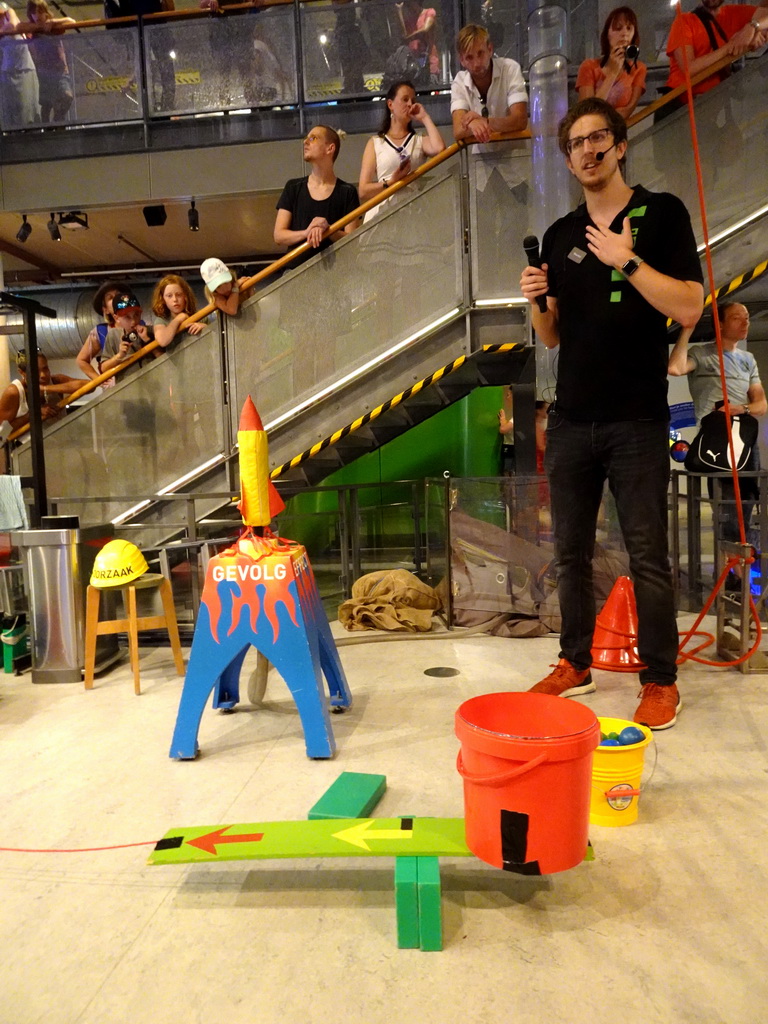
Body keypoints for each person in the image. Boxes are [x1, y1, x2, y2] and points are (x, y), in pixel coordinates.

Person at [520, 97, 704, 730]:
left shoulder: (662, 214)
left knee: (648, 554)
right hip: (572, 419)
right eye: (577, 142)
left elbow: (688, 306)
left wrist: (625, 258)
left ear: (620, 146)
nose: (589, 149)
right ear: (569, 159)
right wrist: (537, 302)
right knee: (568, 552)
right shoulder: (561, 235)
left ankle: (659, 678)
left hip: (638, 419)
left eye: (600, 138)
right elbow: (551, 338)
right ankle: (574, 661)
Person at [668, 301, 767, 557]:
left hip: (744, 437)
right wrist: (687, 329)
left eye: (746, 317)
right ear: (720, 324)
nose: (745, 322)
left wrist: (741, 409)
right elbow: (676, 367)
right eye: (737, 318)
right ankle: (732, 570)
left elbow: (761, 404)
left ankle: (743, 563)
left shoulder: (748, 359)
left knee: (747, 502)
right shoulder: (702, 354)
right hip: (717, 439)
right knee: (726, 509)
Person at [358, 79, 445, 223]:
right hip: (383, 214)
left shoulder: (419, 140)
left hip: (412, 214)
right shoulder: (376, 143)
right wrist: (391, 182)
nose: (410, 104)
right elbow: (363, 190)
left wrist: (424, 117)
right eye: (405, 99)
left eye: (413, 100)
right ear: (390, 104)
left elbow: (439, 148)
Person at [274, 125, 360, 269]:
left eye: (313, 138)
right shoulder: (293, 187)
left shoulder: (347, 192)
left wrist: (328, 230)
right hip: (296, 273)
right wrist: (307, 232)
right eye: (306, 138)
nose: (305, 142)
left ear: (329, 148)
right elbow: (279, 235)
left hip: (336, 275)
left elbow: (352, 240)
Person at [666, 0, 768, 100]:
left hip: (715, 100)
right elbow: (689, 69)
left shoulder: (732, 13)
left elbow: (763, 14)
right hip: (682, 104)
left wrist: (753, 27)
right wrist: (730, 47)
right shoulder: (684, 22)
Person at [450, 23, 527, 144]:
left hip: (515, 156)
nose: (476, 63)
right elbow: (458, 130)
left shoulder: (510, 68)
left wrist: (483, 121)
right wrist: (472, 123)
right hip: (478, 160)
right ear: (462, 61)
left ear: (490, 49)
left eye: (480, 53)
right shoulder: (459, 81)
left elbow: (520, 120)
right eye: (469, 57)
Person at [576, 6, 646, 120]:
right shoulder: (589, 66)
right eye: (618, 28)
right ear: (607, 34)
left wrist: (599, 112)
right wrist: (612, 74)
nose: (624, 33)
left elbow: (627, 110)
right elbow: (586, 112)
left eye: (629, 28)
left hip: (618, 133)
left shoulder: (639, 68)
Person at [0, 352, 83, 432]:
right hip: (27, 445)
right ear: (22, 372)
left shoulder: (55, 381)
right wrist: (33, 414)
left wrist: (46, 388)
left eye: (45, 369)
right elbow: (2, 433)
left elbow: (89, 386)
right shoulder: (14, 392)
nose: (43, 375)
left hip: (61, 442)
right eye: (35, 371)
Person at [25, 0, 75, 122]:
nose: (37, 16)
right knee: (46, 105)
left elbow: (72, 21)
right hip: (44, 72)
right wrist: (37, 27)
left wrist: (53, 22)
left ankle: (58, 120)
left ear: (46, 13)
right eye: (33, 13)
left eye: (40, 12)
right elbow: (18, 27)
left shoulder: (53, 26)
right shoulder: (33, 29)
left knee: (67, 96)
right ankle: (47, 129)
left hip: (60, 71)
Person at [76, 280, 131, 385]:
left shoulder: (140, 325)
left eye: (118, 295)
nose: (116, 298)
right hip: (116, 390)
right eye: (110, 297)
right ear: (105, 309)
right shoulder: (101, 332)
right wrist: (99, 380)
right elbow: (81, 360)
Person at [0, 1, 40, 127]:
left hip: (24, 71)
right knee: (9, 111)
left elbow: (12, 25)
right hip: (7, 74)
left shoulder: (11, 19)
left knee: (26, 107)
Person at [99, 292, 155, 373]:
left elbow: (166, 359)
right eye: (127, 317)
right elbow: (103, 369)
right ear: (116, 318)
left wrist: (148, 341)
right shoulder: (113, 335)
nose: (133, 321)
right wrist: (119, 356)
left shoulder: (152, 330)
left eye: (136, 315)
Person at [152, 274, 206, 347]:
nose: (175, 299)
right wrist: (178, 319)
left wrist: (205, 327)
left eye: (179, 295)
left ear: (185, 296)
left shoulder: (200, 316)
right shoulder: (161, 320)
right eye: (169, 296)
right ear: (163, 299)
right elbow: (162, 341)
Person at [396, 0, 439, 87]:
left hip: (429, 64)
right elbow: (404, 34)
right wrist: (399, 12)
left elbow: (425, 29)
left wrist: (409, 38)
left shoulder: (429, 12)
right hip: (413, 66)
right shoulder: (410, 20)